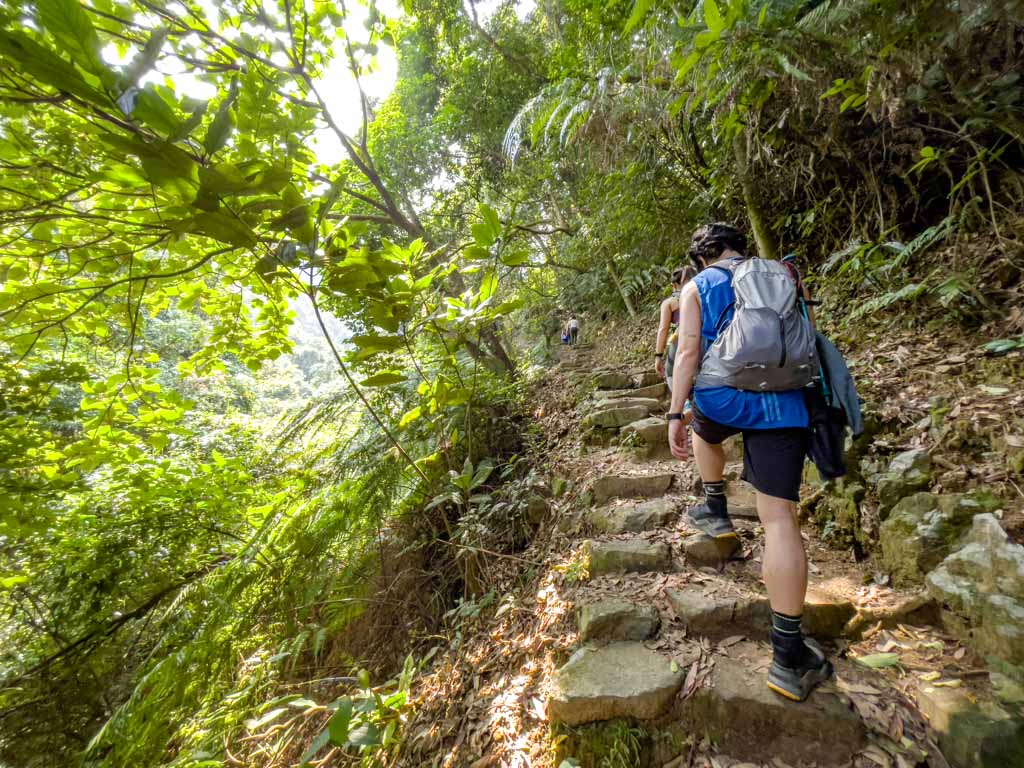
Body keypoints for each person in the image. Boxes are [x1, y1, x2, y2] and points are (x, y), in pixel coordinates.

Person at [666, 222, 830, 703]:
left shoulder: (697, 285)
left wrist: (676, 412)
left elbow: (689, 352)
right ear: (742, 246)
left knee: (704, 426)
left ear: (702, 257)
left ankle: (715, 510)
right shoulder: (782, 272)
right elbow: (809, 339)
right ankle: (787, 657)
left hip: (722, 398)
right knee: (780, 519)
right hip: (783, 399)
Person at [655, 266, 697, 391]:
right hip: (705, 337)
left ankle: (685, 405)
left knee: (670, 373)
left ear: (673, 284)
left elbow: (663, 329)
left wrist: (658, 356)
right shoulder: (703, 294)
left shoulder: (670, 302)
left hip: (681, 339)